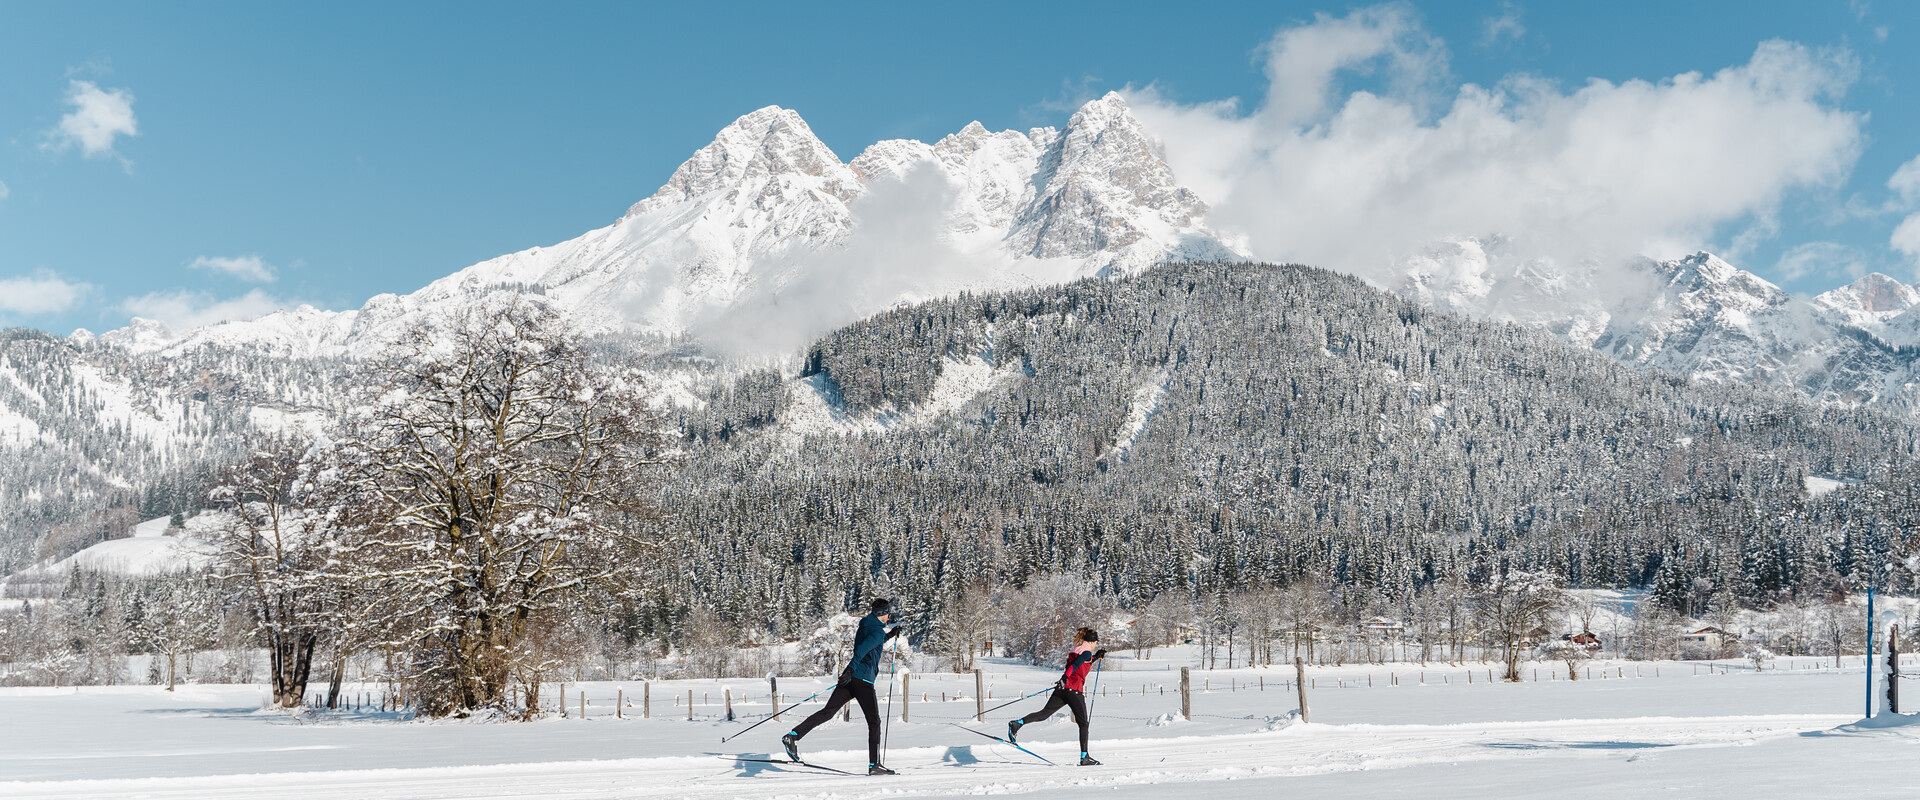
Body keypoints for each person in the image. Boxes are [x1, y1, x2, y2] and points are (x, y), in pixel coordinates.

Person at [783, 598, 904, 775]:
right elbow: (862, 650)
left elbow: (872, 644)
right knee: (874, 722)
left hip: (851, 679)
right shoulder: (876, 632)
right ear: (882, 614)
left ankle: (793, 736)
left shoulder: (867, 625)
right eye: (888, 613)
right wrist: (851, 669)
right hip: (863, 681)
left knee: (828, 711)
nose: (889, 616)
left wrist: (890, 634)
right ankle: (874, 765)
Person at [1006, 627, 1105, 766]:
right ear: (1093, 641)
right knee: (1083, 724)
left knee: (1043, 714)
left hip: (1062, 688)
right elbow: (1076, 665)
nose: (1096, 645)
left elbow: (1080, 662)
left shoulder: (1076, 650)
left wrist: (1096, 657)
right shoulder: (1087, 652)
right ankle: (1084, 757)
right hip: (1074, 690)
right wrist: (1065, 677)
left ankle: (1017, 723)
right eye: (1096, 642)